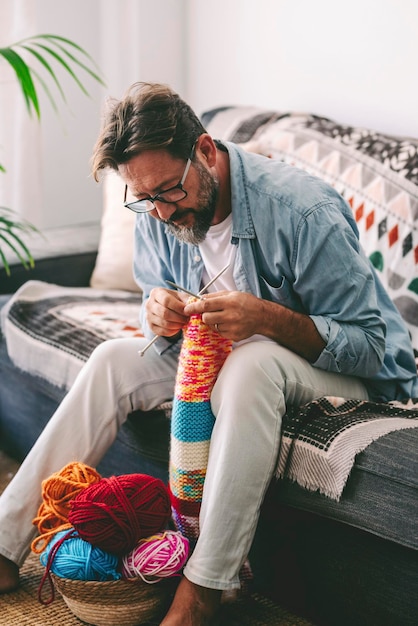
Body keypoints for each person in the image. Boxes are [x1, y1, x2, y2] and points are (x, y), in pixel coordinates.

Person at [0, 82, 417, 625]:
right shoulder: (154, 208)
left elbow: (370, 347)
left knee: (251, 364)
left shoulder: (302, 211)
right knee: (111, 361)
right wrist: (158, 310)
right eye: (143, 197)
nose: (161, 211)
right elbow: (160, 297)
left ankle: (204, 586)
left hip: (344, 371)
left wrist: (266, 318)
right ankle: (6, 544)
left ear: (205, 151)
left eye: (169, 191)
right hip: (224, 359)